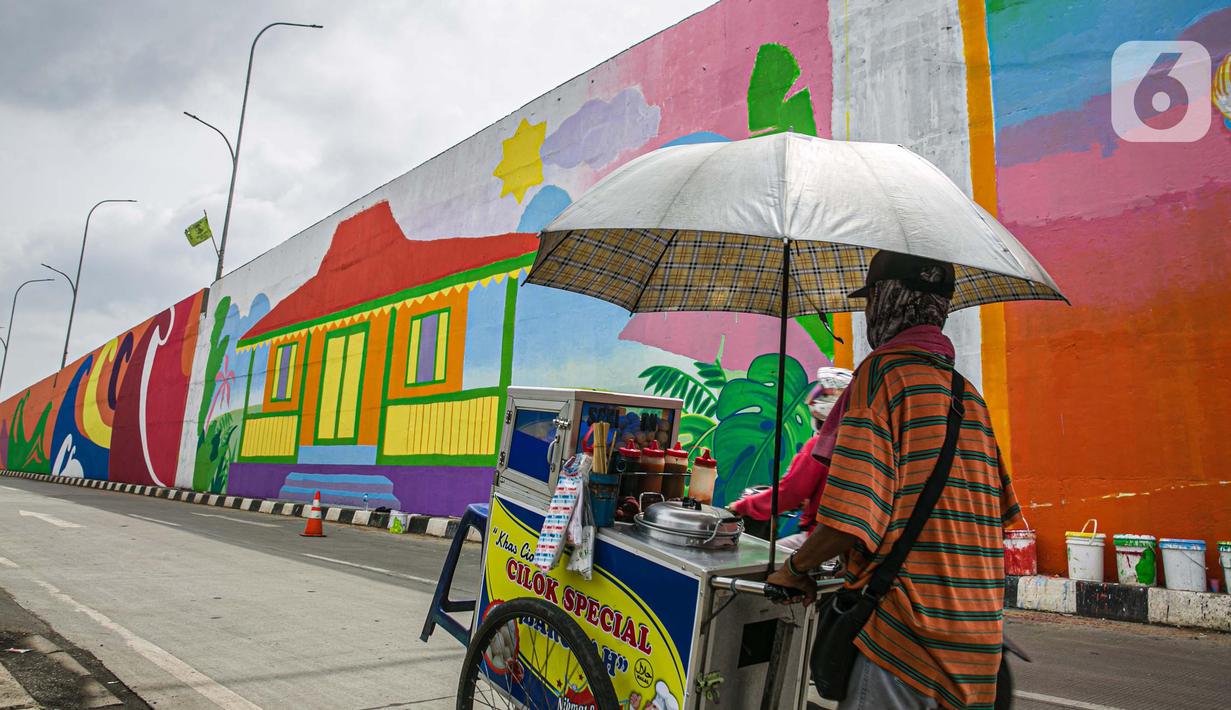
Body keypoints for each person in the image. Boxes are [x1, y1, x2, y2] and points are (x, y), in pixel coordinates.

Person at [767, 251, 1022, 710]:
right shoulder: (970, 398)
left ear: (886, 301)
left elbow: (850, 518)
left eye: (871, 301)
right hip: (980, 647)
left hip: (906, 642)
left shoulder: (882, 378)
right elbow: (1000, 516)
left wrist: (795, 569)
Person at [727, 366, 853, 551]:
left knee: (759, 560)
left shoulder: (820, 446)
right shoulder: (855, 446)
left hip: (820, 541)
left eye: (821, 393)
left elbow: (788, 494)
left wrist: (741, 506)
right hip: (849, 543)